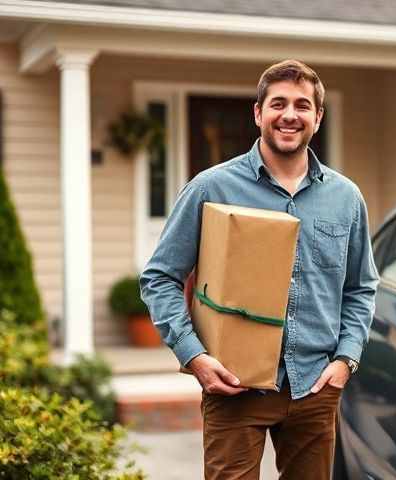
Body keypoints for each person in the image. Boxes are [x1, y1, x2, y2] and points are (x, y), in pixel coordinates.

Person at [139, 59, 379, 480]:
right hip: (234, 385)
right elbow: (159, 278)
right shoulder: (211, 187)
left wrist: (345, 360)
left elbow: (361, 286)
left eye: (303, 105)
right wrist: (194, 356)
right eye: (278, 104)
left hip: (315, 386)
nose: (290, 115)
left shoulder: (346, 197)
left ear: (318, 118)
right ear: (258, 113)